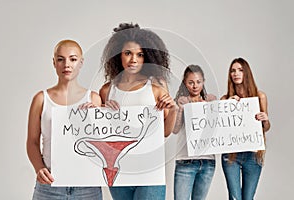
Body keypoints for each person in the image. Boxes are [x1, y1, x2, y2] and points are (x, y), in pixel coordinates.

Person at [99, 22, 177, 200]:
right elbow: (101, 132)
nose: (133, 59)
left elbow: (164, 132)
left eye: (139, 54)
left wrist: (173, 110)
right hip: (119, 171)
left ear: (147, 57)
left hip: (150, 171)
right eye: (128, 53)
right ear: (119, 55)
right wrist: (102, 112)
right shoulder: (106, 90)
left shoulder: (156, 88)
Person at [26, 39, 103, 200]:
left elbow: (101, 144)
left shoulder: (94, 98)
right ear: (54, 63)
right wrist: (39, 168)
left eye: (73, 59)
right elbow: (32, 141)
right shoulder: (41, 99)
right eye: (60, 59)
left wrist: (100, 117)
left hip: (87, 185)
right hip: (50, 184)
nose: (66, 64)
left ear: (81, 63)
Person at [221, 57, 271, 200]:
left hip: (253, 155)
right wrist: (226, 107)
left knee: (248, 198)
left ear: (246, 73)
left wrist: (265, 119)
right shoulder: (225, 99)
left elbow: (265, 128)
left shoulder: (260, 96)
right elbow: (220, 129)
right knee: (234, 197)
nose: (236, 73)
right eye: (233, 71)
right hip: (232, 154)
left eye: (240, 70)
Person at [172, 65, 216, 200]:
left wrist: (215, 106)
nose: (195, 86)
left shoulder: (210, 101)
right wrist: (180, 109)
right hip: (186, 160)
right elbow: (175, 129)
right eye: (191, 82)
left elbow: (219, 128)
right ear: (185, 83)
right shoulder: (180, 102)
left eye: (198, 82)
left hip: (208, 161)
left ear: (203, 82)